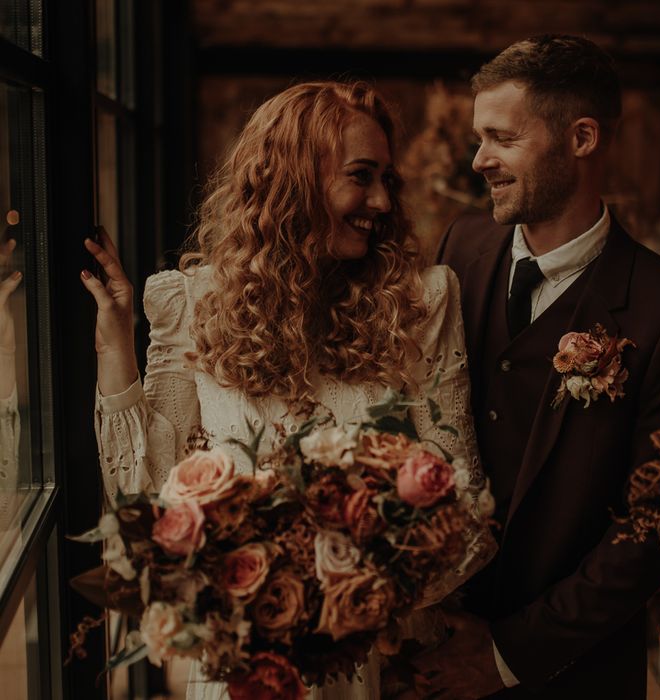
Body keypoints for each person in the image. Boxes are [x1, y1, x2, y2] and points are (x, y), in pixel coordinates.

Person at [81, 81, 494, 700]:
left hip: (369, 659)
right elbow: (147, 500)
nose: (382, 200)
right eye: (361, 176)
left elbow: (467, 504)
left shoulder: (423, 301)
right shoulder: (190, 303)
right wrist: (115, 340)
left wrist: (347, 603)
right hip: (238, 667)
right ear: (296, 180)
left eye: (387, 178)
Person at [419, 35, 660, 699]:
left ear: (582, 138)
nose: (478, 160)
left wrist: (507, 655)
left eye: (501, 138)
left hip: (571, 673)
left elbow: (657, 528)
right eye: (477, 137)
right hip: (428, 658)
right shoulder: (460, 247)